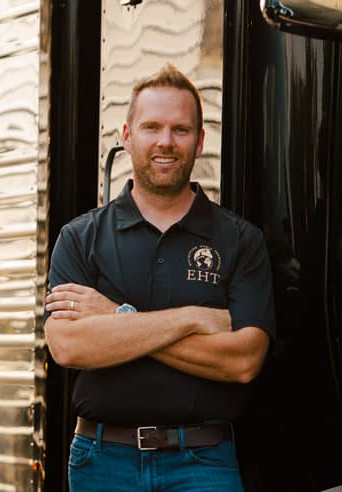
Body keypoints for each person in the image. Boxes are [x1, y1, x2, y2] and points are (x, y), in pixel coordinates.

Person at [43, 63, 275, 491]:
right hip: (102, 461)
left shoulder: (240, 240)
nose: (165, 142)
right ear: (127, 136)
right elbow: (69, 345)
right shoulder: (80, 238)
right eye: (151, 127)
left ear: (199, 142)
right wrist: (193, 319)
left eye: (180, 129)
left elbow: (244, 361)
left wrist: (116, 319)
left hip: (202, 461)